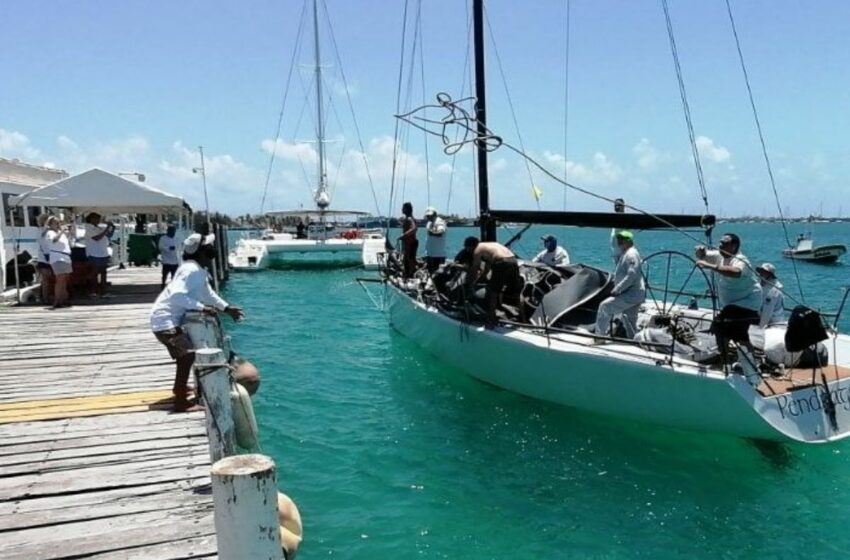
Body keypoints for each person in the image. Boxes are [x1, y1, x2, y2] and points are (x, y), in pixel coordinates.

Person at [149, 233, 245, 412]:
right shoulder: (190, 270)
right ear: (201, 252)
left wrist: (227, 308)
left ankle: (179, 389)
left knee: (184, 356)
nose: (211, 249)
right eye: (208, 246)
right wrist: (201, 307)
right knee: (187, 356)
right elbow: (177, 295)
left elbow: (208, 294)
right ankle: (180, 402)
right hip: (164, 322)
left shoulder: (197, 269)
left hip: (168, 321)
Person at [695, 233, 762, 354]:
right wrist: (700, 252)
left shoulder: (740, 259)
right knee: (723, 330)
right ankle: (726, 358)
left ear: (734, 246)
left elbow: (736, 272)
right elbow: (702, 256)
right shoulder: (719, 255)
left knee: (731, 330)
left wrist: (711, 266)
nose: (720, 245)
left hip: (748, 303)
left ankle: (745, 361)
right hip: (732, 304)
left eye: (724, 244)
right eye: (720, 242)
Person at [456, 236, 525, 327]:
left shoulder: (477, 250)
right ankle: (523, 319)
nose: (467, 250)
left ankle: (491, 321)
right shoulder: (489, 246)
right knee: (516, 292)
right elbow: (486, 270)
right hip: (513, 260)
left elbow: (474, 270)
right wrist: (478, 281)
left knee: (492, 292)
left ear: (471, 246)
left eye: (467, 248)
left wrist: (461, 267)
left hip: (501, 262)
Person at [594, 230, 646, 339]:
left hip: (630, 294)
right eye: (619, 240)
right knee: (630, 320)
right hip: (635, 294)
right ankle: (634, 341)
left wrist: (617, 289)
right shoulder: (627, 253)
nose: (619, 243)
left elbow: (631, 274)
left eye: (621, 241)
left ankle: (599, 338)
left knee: (605, 307)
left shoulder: (631, 254)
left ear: (627, 242)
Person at [84, 212, 115, 297]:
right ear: (91, 219)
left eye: (98, 218)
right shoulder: (89, 228)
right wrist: (106, 229)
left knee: (103, 272)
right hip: (94, 253)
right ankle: (93, 291)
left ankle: (104, 292)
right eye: (96, 218)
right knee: (94, 273)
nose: (98, 220)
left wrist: (112, 227)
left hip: (103, 252)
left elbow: (108, 235)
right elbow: (97, 238)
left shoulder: (99, 227)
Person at [45, 216, 72, 309]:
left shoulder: (62, 233)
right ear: (50, 224)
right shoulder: (50, 233)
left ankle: (63, 299)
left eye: (59, 223)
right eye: (55, 223)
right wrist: (62, 231)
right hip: (57, 257)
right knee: (60, 279)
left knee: (64, 279)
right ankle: (57, 300)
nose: (58, 225)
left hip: (66, 257)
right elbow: (54, 240)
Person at [756, 262, 785, 328]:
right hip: (761, 318)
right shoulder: (762, 284)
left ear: (770, 275)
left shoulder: (772, 291)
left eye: (764, 272)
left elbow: (766, 313)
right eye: (761, 271)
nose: (760, 273)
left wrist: (760, 329)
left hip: (773, 323)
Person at [36, 214, 55, 305]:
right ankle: (45, 299)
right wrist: (50, 219)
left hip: (51, 258)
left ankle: (45, 297)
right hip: (43, 259)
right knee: (45, 280)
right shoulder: (40, 231)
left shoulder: (51, 232)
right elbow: (44, 227)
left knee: (47, 280)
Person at [423, 206, 447, 273]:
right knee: (430, 273)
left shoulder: (439, 222)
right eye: (427, 215)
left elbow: (440, 233)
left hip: (438, 255)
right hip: (430, 254)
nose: (428, 217)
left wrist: (432, 233)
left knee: (437, 275)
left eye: (430, 215)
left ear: (435, 214)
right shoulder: (429, 223)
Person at [398, 202, 418, 278]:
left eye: (403, 208)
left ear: (406, 209)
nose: (402, 209)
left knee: (409, 261)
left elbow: (414, 228)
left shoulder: (409, 219)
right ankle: (408, 274)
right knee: (407, 260)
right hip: (409, 244)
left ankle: (411, 276)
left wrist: (403, 235)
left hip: (411, 243)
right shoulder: (410, 218)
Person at [158, 224, 181, 289]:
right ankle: (163, 285)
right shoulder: (163, 238)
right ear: (168, 231)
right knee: (164, 275)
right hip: (166, 261)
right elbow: (160, 247)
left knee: (174, 275)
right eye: (172, 231)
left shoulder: (177, 239)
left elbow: (179, 247)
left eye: (174, 231)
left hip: (175, 261)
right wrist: (168, 248)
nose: (173, 232)